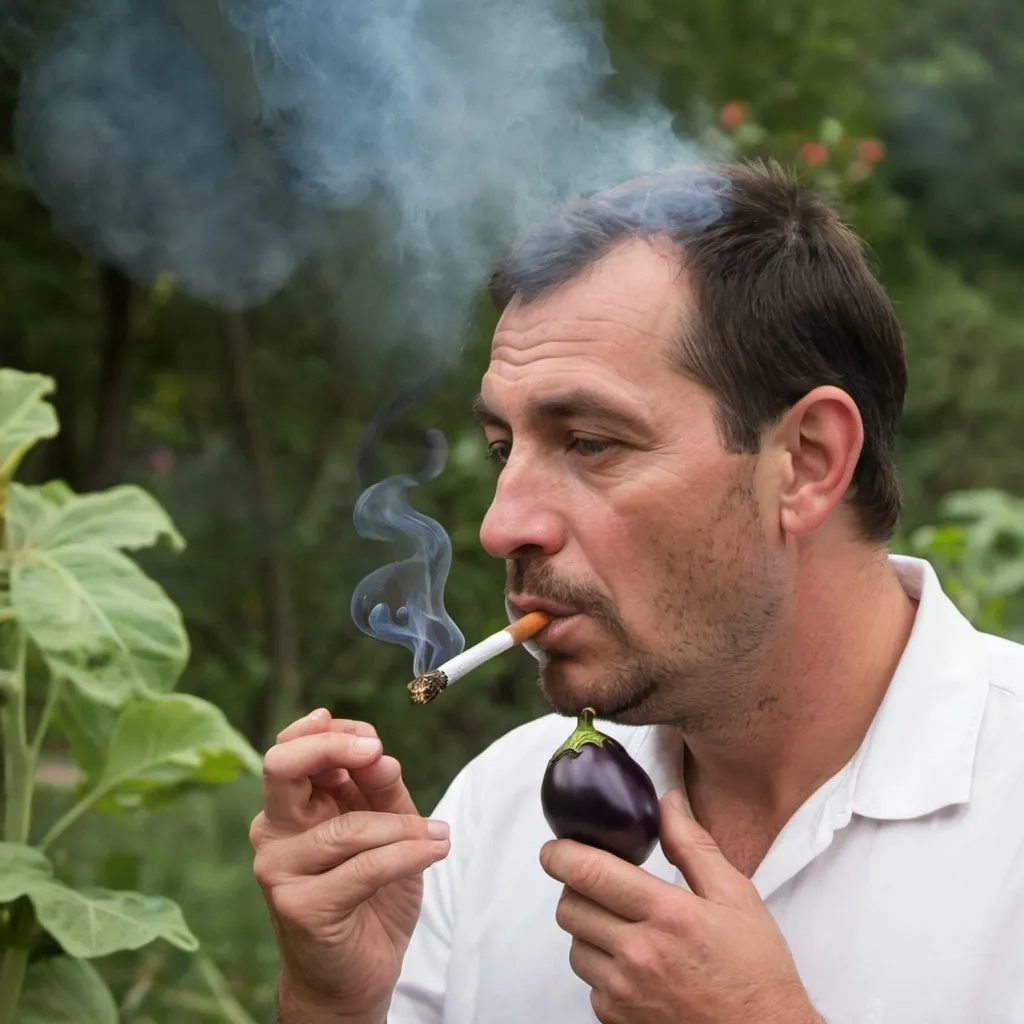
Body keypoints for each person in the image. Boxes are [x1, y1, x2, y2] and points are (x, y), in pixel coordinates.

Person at [249, 159, 1024, 1024]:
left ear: (806, 462)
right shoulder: (493, 814)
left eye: (587, 443)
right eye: (506, 448)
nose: (503, 527)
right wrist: (333, 1005)